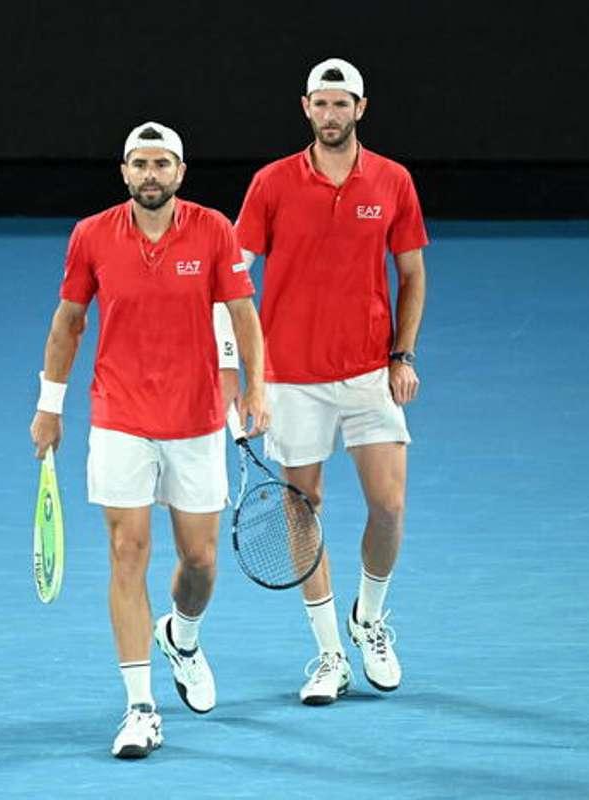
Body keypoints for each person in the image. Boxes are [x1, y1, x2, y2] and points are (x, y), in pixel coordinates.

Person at [30, 121, 268, 758]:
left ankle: (182, 637)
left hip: (194, 421)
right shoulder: (91, 235)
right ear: (125, 172)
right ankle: (140, 707)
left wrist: (257, 389)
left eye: (162, 164)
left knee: (200, 562)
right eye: (140, 164)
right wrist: (49, 405)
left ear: (180, 173)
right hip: (119, 417)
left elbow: (243, 316)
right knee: (126, 553)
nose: (150, 175)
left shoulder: (215, 230)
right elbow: (69, 322)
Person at [231, 58, 428, 704]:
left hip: (371, 372)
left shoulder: (394, 181)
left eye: (343, 104)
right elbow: (233, 283)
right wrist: (244, 377)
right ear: (306, 108)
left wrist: (403, 355)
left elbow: (412, 275)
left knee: (389, 505)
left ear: (361, 110)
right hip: (292, 379)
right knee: (300, 507)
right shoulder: (271, 183)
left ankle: (369, 619)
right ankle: (328, 655)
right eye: (322, 103)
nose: (332, 114)